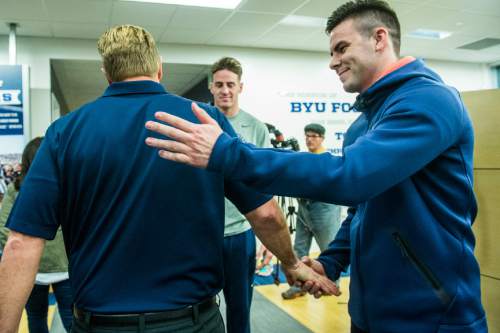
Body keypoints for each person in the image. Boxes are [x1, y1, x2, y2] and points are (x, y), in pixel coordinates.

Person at [144, 0, 488, 331]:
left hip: (433, 314)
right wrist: (331, 261)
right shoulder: (363, 123)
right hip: (372, 310)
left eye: (341, 48)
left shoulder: (429, 101)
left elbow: (350, 178)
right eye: (331, 52)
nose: (333, 61)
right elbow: (363, 210)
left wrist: (227, 153)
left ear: (380, 38)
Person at [0, 25, 337, 333]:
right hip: (191, 322)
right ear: (159, 69)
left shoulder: (64, 133)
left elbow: (21, 243)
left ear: (107, 74)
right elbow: (264, 213)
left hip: (100, 324)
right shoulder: (204, 121)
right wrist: (291, 264)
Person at [209, 56, 270, 333]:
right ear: (211, 87)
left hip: (240, 233)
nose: (225, 90)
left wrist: (267, 237)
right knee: (200, 308)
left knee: (239, 308)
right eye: (219, 84)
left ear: (240, 87)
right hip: (203, 233)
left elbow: (265, 183)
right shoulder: (197, 121)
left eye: (230, 84)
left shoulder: (256, 128)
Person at [0, 137, 73, 333]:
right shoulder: (70, 186)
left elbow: (4, 229)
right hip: (66, 267)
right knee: (71, 317)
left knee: (36, 316)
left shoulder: (16, 189)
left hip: (29, 270)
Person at [281, 124, 342, 300]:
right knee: (299, 247)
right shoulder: (305, 157)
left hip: (324, 208)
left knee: (328, 247)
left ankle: (333, 283)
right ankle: (297, 285)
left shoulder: (328, 159)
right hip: (304, 207)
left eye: (314, 136)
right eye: (307, 135)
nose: (309, 139)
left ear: (322, 138)